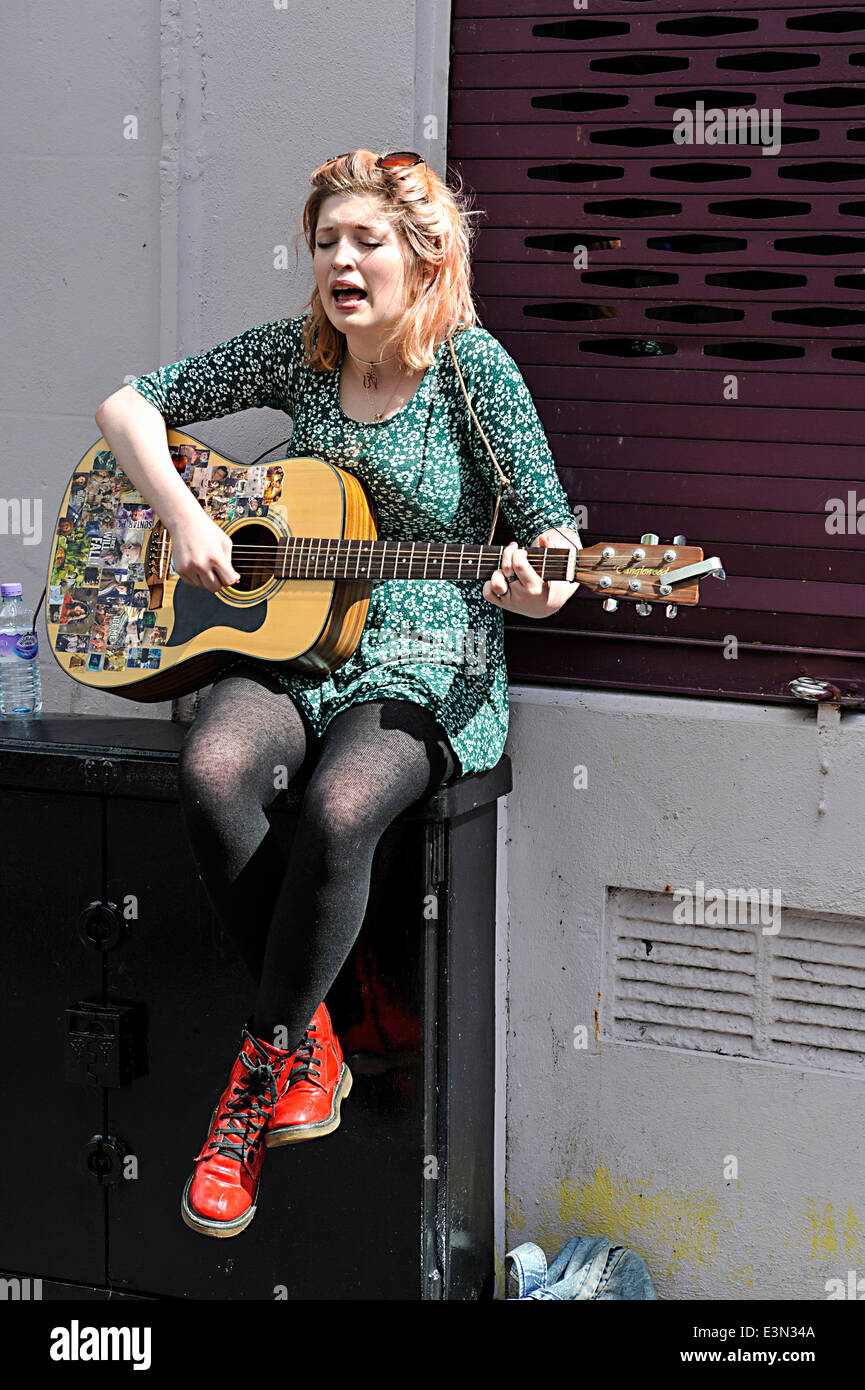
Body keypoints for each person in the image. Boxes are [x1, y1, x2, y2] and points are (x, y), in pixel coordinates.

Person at [94, 148, 582, 1239]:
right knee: (214, 768)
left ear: (423, 256)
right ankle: (306, 1039)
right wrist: (188, 517)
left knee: (343, 805)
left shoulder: (471, 370)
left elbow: (552, 535)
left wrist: (533, 581)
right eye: (326, 242)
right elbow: (129, 405)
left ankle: (254, 1079)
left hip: (425, 650)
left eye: (367, 241)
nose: (342, 262)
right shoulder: (300, 355)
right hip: (293, 641)